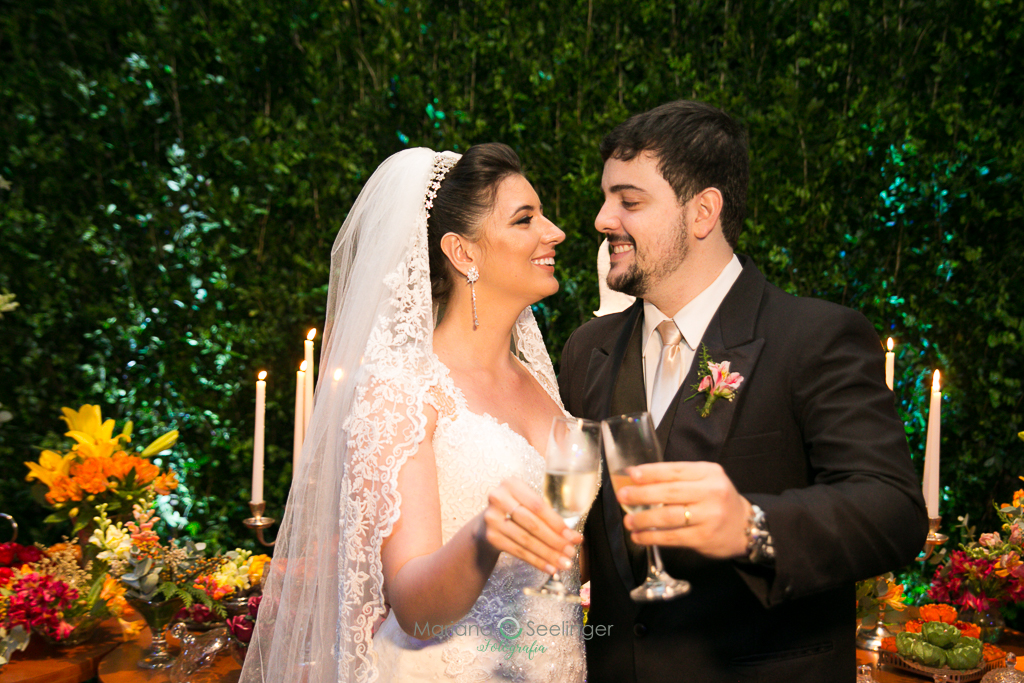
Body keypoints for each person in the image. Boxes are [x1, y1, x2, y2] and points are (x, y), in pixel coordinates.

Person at [553, 101, 929, 681]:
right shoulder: (587, 349)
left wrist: (753, 524)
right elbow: (579, 524)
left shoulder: (815, 337)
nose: (603, 220)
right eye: (606, 199)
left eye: (629, 201)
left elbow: (895, 512)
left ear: (703, 211)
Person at [240, 144, 588, 683]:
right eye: (526, 219)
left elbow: (567, 562)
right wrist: (486, 536)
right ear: (463, 253)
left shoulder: (541, 383)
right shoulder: (403, 389)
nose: (555, 231)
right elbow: (414, 608)